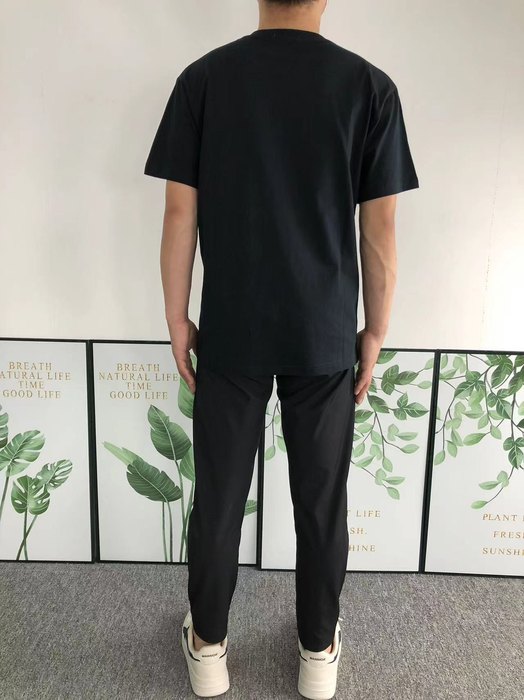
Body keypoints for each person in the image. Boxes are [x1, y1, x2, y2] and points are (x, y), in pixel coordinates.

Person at [144, 0, 419, 697]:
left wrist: (176, 318)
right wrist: (376, 329)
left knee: (220, 495)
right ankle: (317, 652)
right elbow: (380, 230)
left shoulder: (204, 80)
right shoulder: (370, 88)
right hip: (323, 331)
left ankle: (208, 647)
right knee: (321, 501)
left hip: (232, 326)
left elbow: (180, 212)